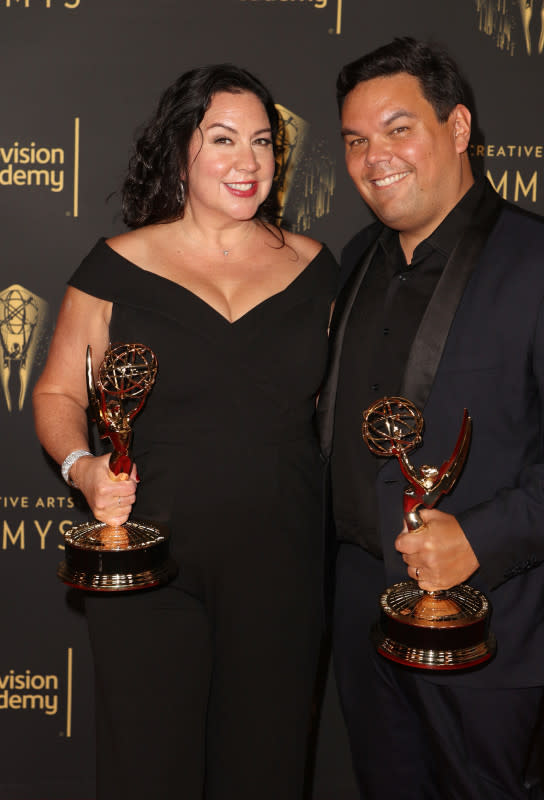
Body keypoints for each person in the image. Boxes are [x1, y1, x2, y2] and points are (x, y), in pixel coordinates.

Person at [316, 37, 544, 799]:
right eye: (356, 140)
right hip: (364, 609)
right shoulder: (358, 257)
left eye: (399, 129)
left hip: (493, 622)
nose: (374, 158)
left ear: (457, 128)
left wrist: (478, 539)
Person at [33, 64, 336, 799]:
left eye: (262, 142)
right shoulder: (115, 267)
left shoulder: (319, 269)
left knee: (263, 773)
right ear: (180, 151)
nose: (247, 161)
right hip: (149, 568)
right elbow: (55, 391)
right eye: (223, 139)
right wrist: (83, 468)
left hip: (283, 566)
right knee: (148, 771)